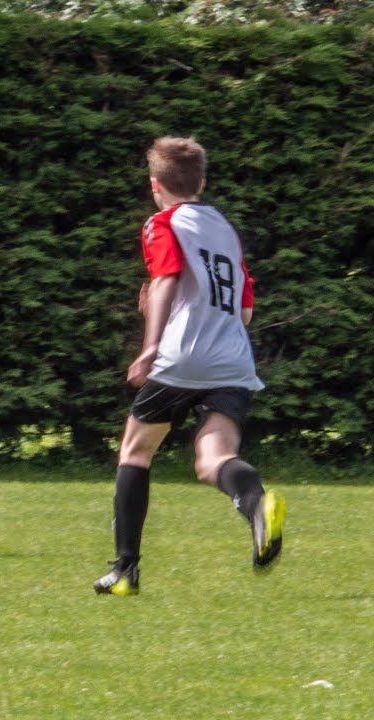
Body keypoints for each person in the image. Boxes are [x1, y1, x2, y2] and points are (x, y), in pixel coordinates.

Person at [93, 136, 285, 596]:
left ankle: (125, 570)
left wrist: (150, 345)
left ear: (154, 184)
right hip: (233, 358)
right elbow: (244, 311)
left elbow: (164, 279)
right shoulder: (224, 229)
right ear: (201, 183)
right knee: (215, 459)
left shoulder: (162, 223)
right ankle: (256, 504)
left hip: (182, 357)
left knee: (135, 452)